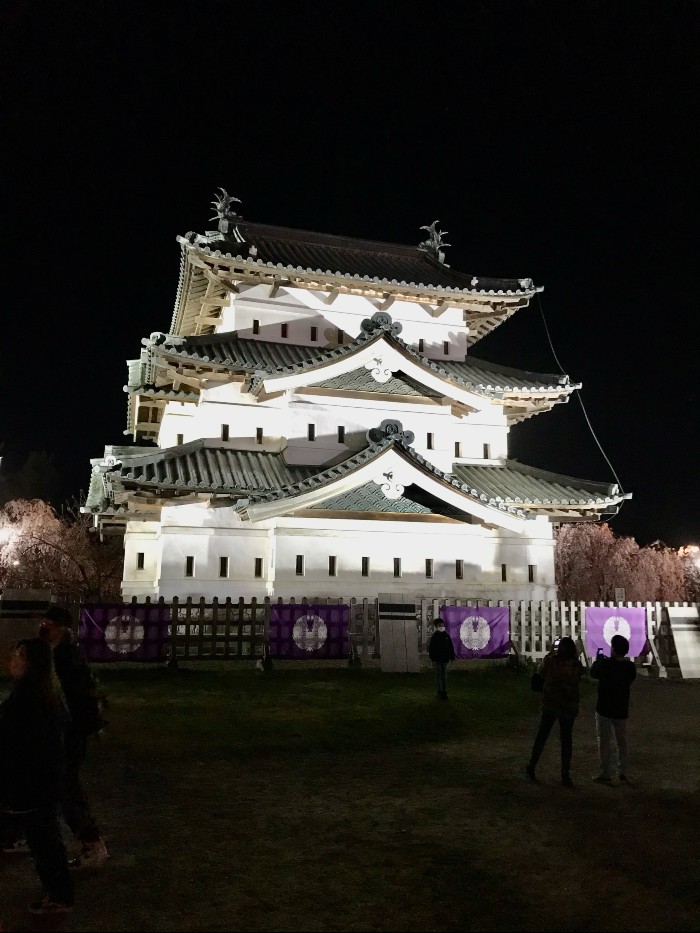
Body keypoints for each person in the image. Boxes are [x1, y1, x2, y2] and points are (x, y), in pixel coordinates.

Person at [0, 638, 74, 915]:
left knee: (44, 840)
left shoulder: (29, 699)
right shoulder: (40, 693)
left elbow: (18, 742)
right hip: (41, 780)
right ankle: (59, 891)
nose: (13, 660)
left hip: (33, 782)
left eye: (19, 655)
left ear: (33, 663)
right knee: (44, 836)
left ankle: (59, 895)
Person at [38, 605, 109, 870]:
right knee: (60, 786)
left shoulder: (66, 657)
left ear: (62, 628)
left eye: (49, 625)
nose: (45, 629)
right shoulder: (54, 654)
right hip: (62, 730)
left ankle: (92, 844)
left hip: (69, 732)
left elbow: (76, 698)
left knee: (66, 788)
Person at [526, 636, 584, 787]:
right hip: (568, 705)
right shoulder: (576, 665)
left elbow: (540, 675)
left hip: (551, 703)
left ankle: (532, 765)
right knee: (566, 739)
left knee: (542, 735)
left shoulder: (550, 661)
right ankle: (565, 773)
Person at [590, 633, 637, 784]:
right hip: (621, 708)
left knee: (604, 741)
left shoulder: (606, 665)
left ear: (614, 649)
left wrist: (598, 661)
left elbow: (593, 673)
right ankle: (623, 772)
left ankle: (605, 772)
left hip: (604, 707)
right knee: (621, 741)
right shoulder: (629, 667)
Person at [428, 616, 455, 700]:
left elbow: (450, 647)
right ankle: (439, 692)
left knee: (444, 676)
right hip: (437, 660)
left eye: (442, 625)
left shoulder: (446, 635)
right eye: (440, 625)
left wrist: (452, 657)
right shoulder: (435, 637)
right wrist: (433, 659)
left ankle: (444, 692)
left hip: (445, 659)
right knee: (438, 676)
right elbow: (431, 649)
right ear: (436, 627)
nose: (442, 627)